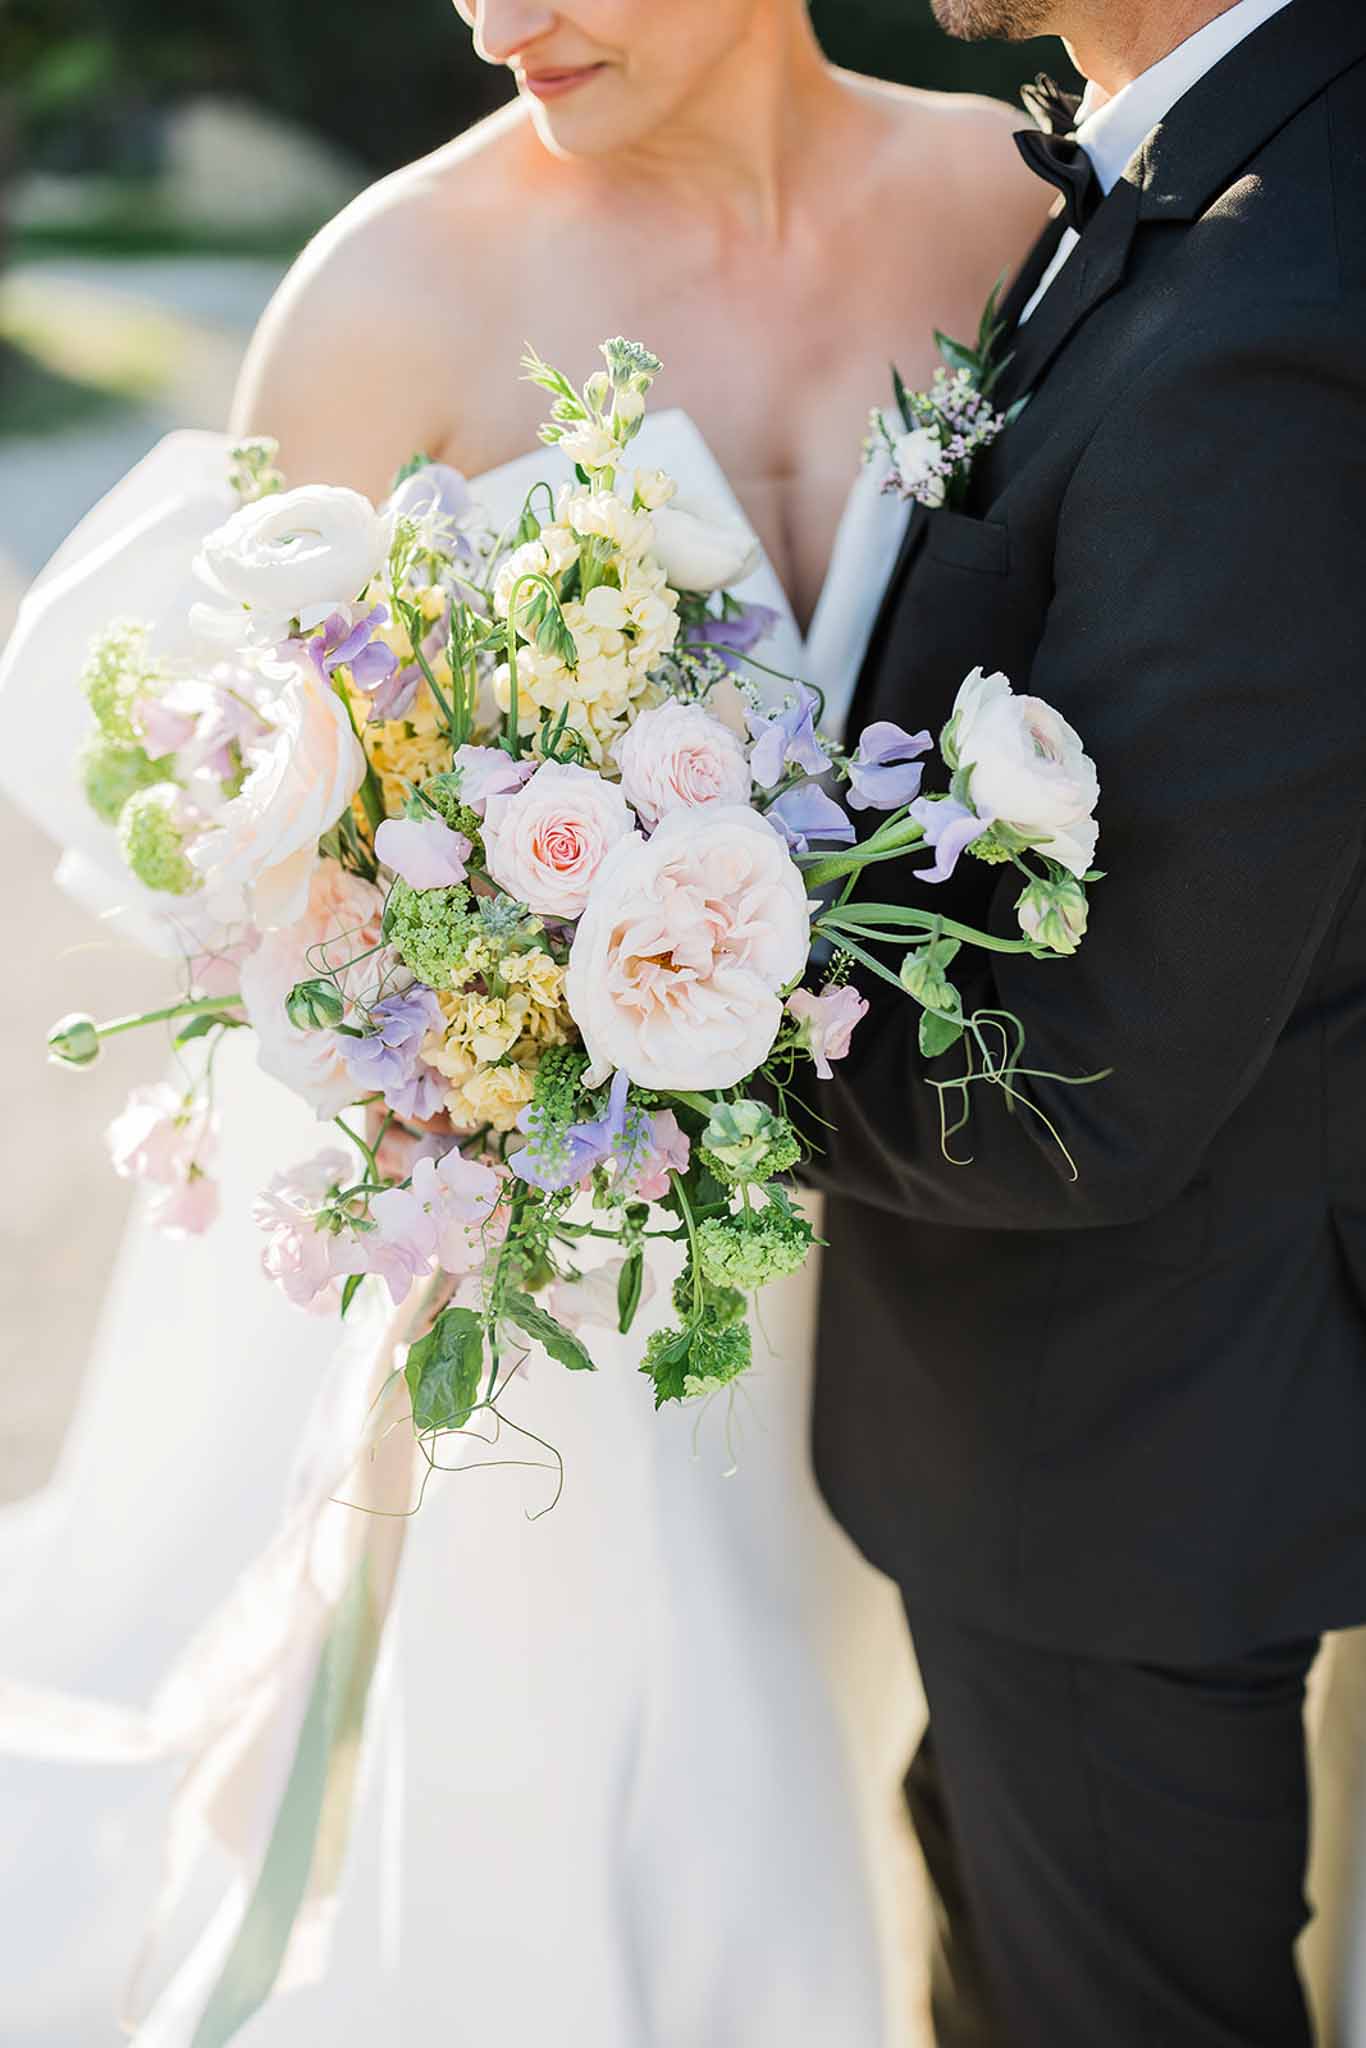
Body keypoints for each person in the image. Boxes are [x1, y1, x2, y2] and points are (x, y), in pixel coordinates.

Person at [0, 4, 1051, 2041]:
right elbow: (263, 844)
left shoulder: (1009, 213)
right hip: (556, 1289)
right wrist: (487, 1025)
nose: (499, 17)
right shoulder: (398, 288)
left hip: (955, 1254)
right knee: (604, 1809)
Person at [809, 0, 1366, 2039]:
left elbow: (1091, 1067)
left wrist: (655, 1041)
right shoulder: (1181, 168)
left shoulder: (1281, 298)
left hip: (1125, 1446)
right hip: (1070, 1440)